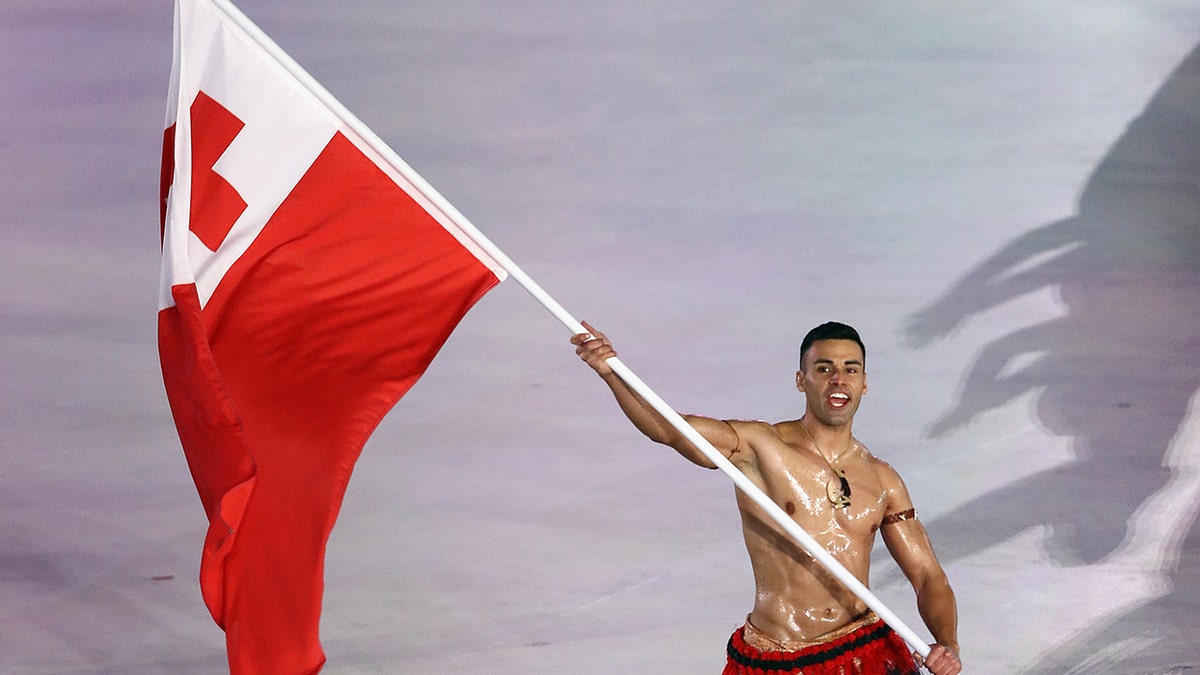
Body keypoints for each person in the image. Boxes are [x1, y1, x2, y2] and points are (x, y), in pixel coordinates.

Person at [571, 320, 961, 675]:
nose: (838, 380)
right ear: (801, 379)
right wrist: (612, 373)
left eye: (850, 369)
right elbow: (671, 429)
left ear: (864, 383)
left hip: (861, 654)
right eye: (824, 368)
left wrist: (947, 643)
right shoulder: (760, 447)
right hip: (775, 657)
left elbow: (927, 576)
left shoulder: (883, 480)